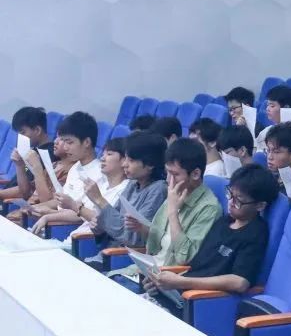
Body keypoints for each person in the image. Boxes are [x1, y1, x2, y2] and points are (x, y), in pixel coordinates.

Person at [142, 165, 277, 317]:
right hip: (179, 294)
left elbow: (240, 282)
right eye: (230, 194)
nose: (230, 202)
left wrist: (179, 282)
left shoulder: (255, 233)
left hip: (199, 303)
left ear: (260, 206)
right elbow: (198, 267)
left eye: (239, 201)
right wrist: (160, 281)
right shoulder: (224, 222)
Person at [127, 138, 221, 268]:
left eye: (175, 174)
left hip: (170, 275)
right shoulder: (175, 193)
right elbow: (161, 242)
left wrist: (172, 213)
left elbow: (184, 257)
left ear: (195, 174)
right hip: (150, 266)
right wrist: (141, 228)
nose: (168, 180)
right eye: (167, 173)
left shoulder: (209, 208)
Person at [31, 137, 129, 244]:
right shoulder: (102, 185)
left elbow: (97, 220)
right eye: (103, 154)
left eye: (109, 154)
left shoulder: (125, 190)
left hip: (85, 242)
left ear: (124, 161)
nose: (102, 158)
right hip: (72, 238)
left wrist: (51, 214)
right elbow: (83, 214)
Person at [90, 131, 168, 252]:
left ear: (150, 164)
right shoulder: (133, 183)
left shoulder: (158, 189)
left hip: (123, 256)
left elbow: (133, 238)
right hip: (107, 252)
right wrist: (98, 227)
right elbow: (112, 220)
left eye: (131, 160)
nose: (124, 165)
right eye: (125, 158)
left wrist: (99, 200)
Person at [29, 112, 101, 218]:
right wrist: (34, 207)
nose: (66, 147)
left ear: (86, 142)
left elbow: (85, 216)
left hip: (67, 225)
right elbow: (61, 202)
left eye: (70, 142)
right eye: (64, 142)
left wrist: (48, 214)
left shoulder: (99, 174)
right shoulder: (75, 168)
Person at [1, 107, 52, 203]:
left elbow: (25, 191)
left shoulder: (47, 155)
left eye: (23, 133)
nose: (19, 138)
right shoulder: (33, 152)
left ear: (37, 130)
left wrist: (19, 165)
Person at [253, 85, 291, 152]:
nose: (267, 109)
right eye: (267, 105)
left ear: (286, 108)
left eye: (272, 106)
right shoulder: (266, 131)